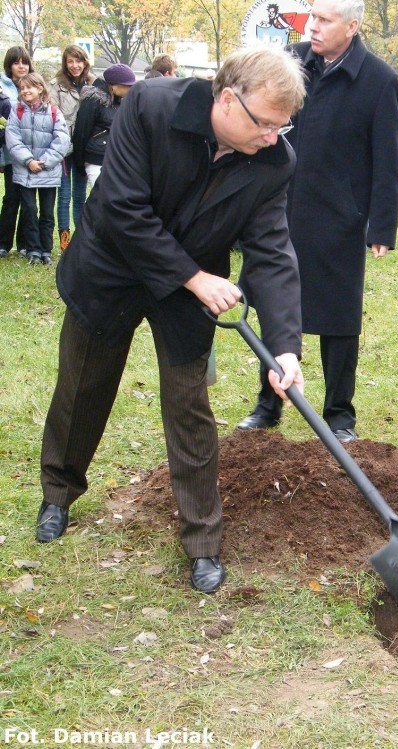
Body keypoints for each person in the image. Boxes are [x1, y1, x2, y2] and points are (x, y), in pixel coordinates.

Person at [35, 47, 306, 595]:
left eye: (284, 126)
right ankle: (58, 493)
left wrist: (285, 346)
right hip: (112, 267)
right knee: (83, 384)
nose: (274, 137)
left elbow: (272, 250)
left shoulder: (274, 162)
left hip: (187, 293)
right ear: (229, 100)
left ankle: (203, 542)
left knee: (189, 407)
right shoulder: (151, 107)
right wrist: (196, 278)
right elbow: (121, 208)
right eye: (267, 124)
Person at [238, 0, 398, 442]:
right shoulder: (289, 63)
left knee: (339, 318)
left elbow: (389, 158)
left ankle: (339, 415)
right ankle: (267, 404)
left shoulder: (379, 80)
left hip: (340, 218)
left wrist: (382, 225)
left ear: (352, 26)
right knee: (277, 305)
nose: (313, 27)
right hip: (281, 209)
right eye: (312, 17)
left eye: (325, 20)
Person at [5, 72, 70, 265]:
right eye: (22, 88)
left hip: (48, 171)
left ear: (40, 88)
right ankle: (33, 249)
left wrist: (44, 162)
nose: (25, 91)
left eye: (29, 87)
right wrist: (28, 161)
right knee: (30, 210)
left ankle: (45, 249)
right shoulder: (16, 111)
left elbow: (62, 139)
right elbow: (13, 139)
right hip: (25, 171)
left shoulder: (53, 111)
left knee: (47, 213)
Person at [49, 44, 94, 252]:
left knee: (80, 196)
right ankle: (65, 241)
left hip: (84, 148)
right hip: (65, 148)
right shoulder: (55, 85)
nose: (75, 65)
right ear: (65, 63)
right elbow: (55, 118)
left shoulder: (93, 84)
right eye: (70, 61)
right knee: (64, 195)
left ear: (85, 62)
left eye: (78, 61)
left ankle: (80, 239)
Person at [71, 63, 136, 190]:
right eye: (128, 86)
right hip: (96, 159)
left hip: (112, 159)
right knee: (102, 199)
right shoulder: (93, 100)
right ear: (114, 85)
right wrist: (79, 162)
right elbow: (81, 132)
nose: (130, 89)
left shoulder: (118, 101)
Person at [0, 45, 34, 258]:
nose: (21, 66)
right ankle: (3, 243)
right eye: (16, 62)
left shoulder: (35, 85)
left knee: (28, 200)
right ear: (9, 65)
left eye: (24, 62)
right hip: (10, 152)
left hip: (31, 152)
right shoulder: (2, 88)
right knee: (11, 198)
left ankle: (23, 243)